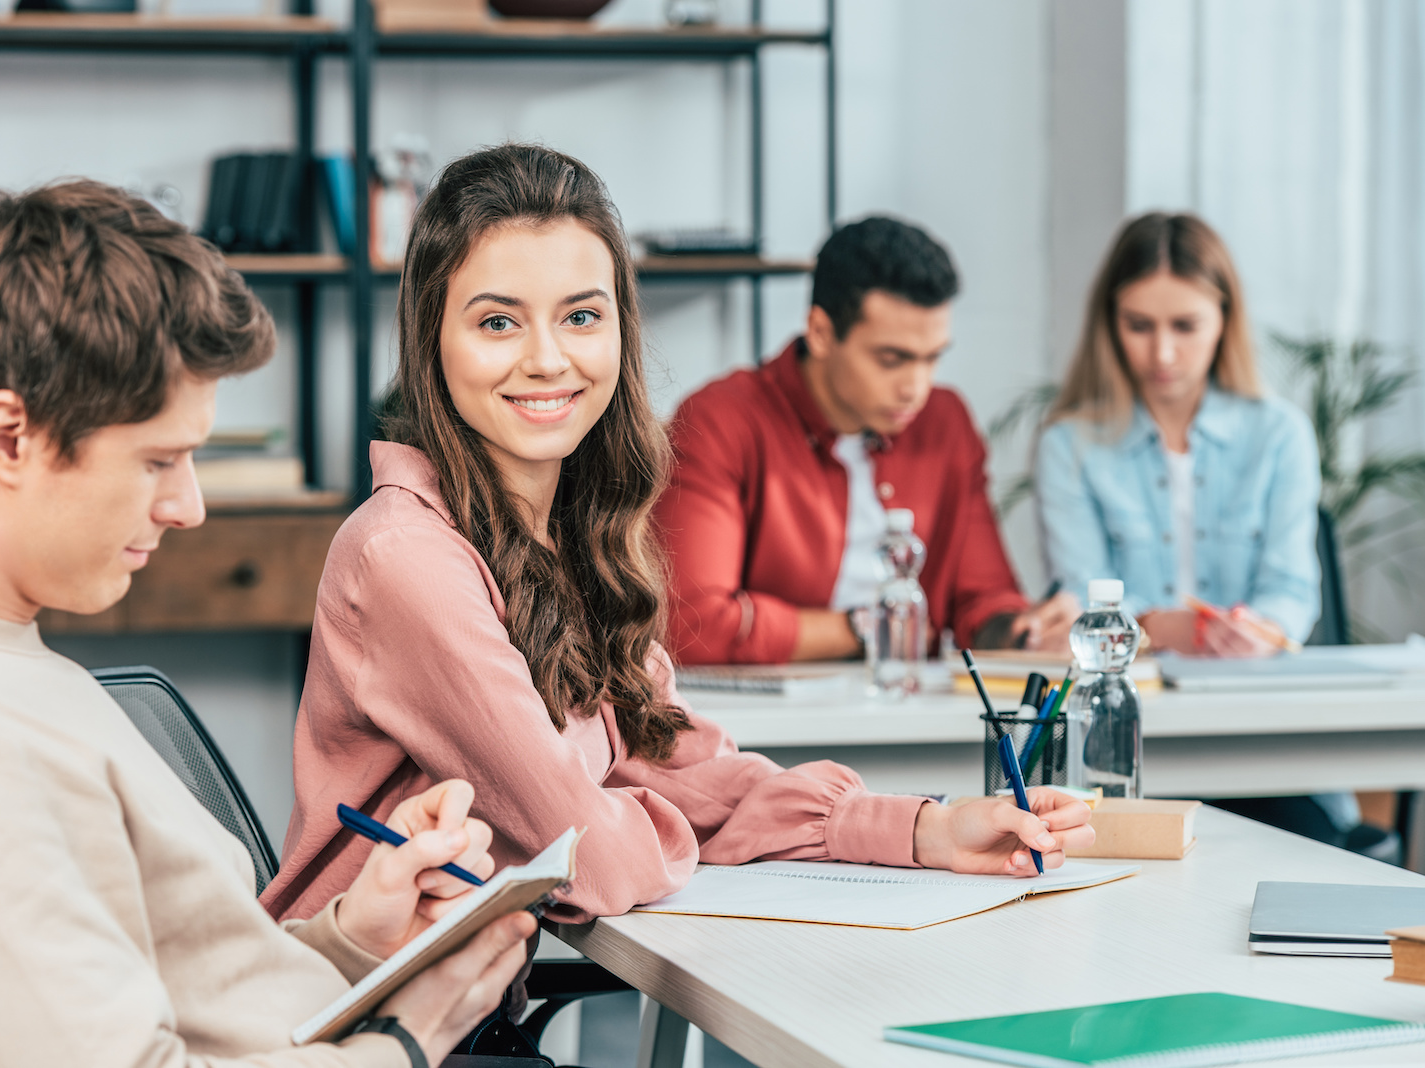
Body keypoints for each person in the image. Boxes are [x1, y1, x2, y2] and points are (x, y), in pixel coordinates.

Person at [263, 145, 1093, 948]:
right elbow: (589, 856)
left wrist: (928, 827)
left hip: (456, 1011)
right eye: (497, 322)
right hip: (346, 1022)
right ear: (431, 341)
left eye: (581, 316)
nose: (548, 359)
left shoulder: (570, 535)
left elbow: (685, 760)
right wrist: (636, 803)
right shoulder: (406, 555)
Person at [0, 180, 536, 1068]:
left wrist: (355, 938)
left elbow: (194, 1006)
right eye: (159, 459)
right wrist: (411, 1036)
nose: (188, 506)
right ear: (7, 437)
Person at [654, 217, 1079, 666]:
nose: (915, 387)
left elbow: (983, 600)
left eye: (932, 358)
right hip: (763, 724)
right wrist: (867, 627)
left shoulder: (944, 421)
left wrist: (1026, 632)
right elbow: (691, 625)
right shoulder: (721, 421)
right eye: (892, 359)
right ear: (820, 332)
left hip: (904, 716)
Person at [1034, 212, 1322, 656]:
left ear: (1224, 320)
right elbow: (1083, 592)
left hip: (1250, 682)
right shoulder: (1068, 446)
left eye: (1185, 326)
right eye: (1139, 326)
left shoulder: (1281, 434)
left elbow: (1290, 589)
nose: (1162, 353)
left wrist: (1259, 630)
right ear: (1110, 323)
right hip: (1126, 682)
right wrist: (1159, 628)